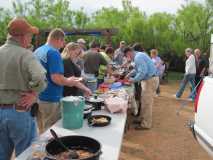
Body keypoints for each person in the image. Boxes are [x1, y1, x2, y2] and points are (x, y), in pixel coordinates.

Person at [0, 17, 46, 160]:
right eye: (30, 35)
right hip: (19, 111)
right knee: (28, 156)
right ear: (21, 36)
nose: (31, 39)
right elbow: (39, 77)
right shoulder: (25, 54)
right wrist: (34, 94)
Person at [34, 28, 81, 133]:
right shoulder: (53, 53)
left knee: (41, 130)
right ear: (58, 39)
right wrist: (70, 81)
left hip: (38, 97)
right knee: (52, 132)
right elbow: (56, 78)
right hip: (51, 99)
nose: (63, 45)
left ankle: (41, 149)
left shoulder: (38, 51)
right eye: (63, 41)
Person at [124, 45, 159, 130]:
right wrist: (129, 74)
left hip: (150, 80)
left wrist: (133, 80)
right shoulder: (138, 55)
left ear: (129, 53)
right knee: (143, 101)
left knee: (147, 103)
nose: (128, 59)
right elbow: (137, 69)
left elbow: (143, 72)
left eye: (126, 56)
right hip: (148, 80)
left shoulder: (138, 57)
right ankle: (142, 119)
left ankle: (146, 124)